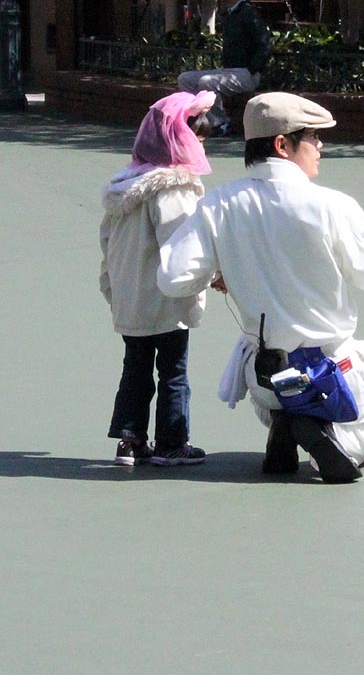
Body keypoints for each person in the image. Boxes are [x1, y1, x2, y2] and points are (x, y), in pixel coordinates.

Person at [158, 93, 364, 484]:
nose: (320, 145)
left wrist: (217, 273)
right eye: (312, 136)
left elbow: (173, 278)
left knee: (272, 398)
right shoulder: (332, 205)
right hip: (331, 372)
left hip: (265, 379)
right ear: (283, 144)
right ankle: (322, 432)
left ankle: (286, 420)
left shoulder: (220, 203)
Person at [100, 91, 216, 467]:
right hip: (165, 297)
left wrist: (112, 288)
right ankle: (172, 441)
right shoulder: (174, 187)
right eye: (196, 138)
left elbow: (107, 243)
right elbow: (182, 241)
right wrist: (209, 274)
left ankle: (130, 440)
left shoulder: (125, 185)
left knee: (134, 368)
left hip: (130, 296)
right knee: (173, 372)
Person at [177, 0, 273, 136]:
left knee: (207, 82)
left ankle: (222, 123)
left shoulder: (248, 13)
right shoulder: (230, 13)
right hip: (227, 71)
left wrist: (253, 69)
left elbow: (266, 43)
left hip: (245, 74)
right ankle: (202, 121)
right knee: (184, 79)